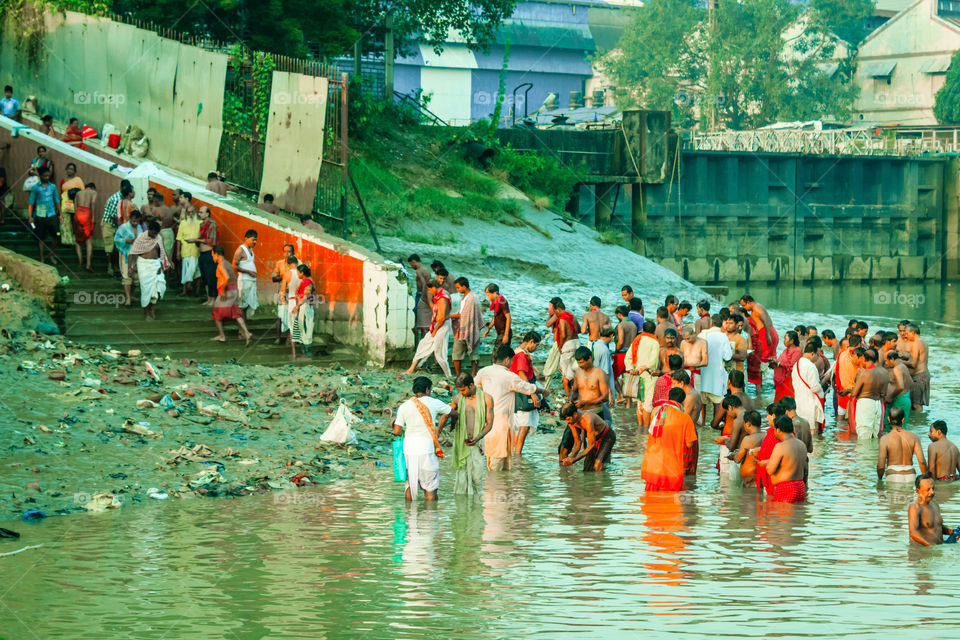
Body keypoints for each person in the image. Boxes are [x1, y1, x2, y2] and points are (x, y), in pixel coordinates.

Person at [474, 344, 542, 471]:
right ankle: (499, 489)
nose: (511, 363)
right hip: (503, 424)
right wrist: (542, 391)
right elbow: (526, 387)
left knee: (497, 464)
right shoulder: (509, 376)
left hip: (492, 423)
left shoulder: (484, 372)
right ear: (507, 360)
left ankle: (500, 489)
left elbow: (475, 385)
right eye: (511, 360)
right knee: (501, 464)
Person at [393, 376, 450, 501]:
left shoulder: (404, 406)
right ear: (428, 389)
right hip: (427, 450)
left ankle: (410, 516)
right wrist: (439, 429)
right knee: (430, 488)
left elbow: (397, 431)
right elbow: (452, 413)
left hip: (409, 451)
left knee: (409, 486)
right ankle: (430, 515)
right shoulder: (433, 402)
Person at [439, 373, 494, 496]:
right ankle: (462, 509)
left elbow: (490, 424)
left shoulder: (487, 399)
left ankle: (475, 509)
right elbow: (447, 415)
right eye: (459, 390)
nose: (462, 393)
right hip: (462, 443)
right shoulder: (458, 399)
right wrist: (437, 432)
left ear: (471, 385)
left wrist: (478, 438)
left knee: (476, 478)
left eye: (463, 390)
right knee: (462, 479)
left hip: (477, 443)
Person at [640, 387, 698, 491]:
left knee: (651, 501)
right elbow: (689, 444)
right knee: (672, 502)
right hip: (671, 470)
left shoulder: (656, 411)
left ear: (669, 398)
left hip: (652, 466)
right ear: (683, 401)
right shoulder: (685, 418)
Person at [406, 279, 453, 377]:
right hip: (438, 325)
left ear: (434, 287)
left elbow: (442, 318)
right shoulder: (444, 293)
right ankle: (411, 369)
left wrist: (434, 331)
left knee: (440, 354)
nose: (430, 292)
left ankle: (449, 375)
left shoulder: (442, 298)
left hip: (441, 326)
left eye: (430, 290)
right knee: (423, 344)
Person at [128, 220, 170, 319]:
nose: (154, 235)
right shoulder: (141, 238)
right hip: (144, 265)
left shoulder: (158, 238)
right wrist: (130, 267)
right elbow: (132, 253)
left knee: (160, 287)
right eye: (153, 233)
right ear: (149, 229)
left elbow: (162, 252)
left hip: (156, 264)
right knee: (146, 290)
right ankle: (147, 313)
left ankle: (152, 308)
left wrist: (161, 265)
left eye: (156, 233)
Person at [210, 245, 253, 343]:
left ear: (216, 254)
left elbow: (226, 277)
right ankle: (246, 333)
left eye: (213, 255)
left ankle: (222, 336)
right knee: (236, 313)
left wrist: (223, 291)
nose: (213, 257)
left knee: (216, 313)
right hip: (234, 290)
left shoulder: (221, 265)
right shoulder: (228, 263)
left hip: (227, 291)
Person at [760, 416, 808, 503]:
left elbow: (770, 470)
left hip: (786, 488)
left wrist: (766, 464)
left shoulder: (780, 446)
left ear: (778, 430)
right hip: (800, 487)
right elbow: (790, 463)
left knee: (782, 515)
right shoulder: (802, 445)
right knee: (797, 515)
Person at [558, 402, 616, 472]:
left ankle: (603, 479)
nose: (567, 422)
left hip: (607, 437)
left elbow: (592, 445)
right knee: (587, 469)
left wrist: (575, 459)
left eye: (568, 419)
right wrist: (571, 457)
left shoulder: (587, 419)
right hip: (595, 438)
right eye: (566, 420)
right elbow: (577, 443)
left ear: (575, 414)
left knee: (597, 465)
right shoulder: (571, 421)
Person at [624, 320, 660, 429]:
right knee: (647, 404)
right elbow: (653, 362)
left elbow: (628, 357)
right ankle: (645, 429)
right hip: (648, 376)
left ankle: (640, 427)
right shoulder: (655, 342)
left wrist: (631, 369)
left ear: (643, 329)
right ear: (654, 331)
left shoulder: (637, 340)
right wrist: (643, 368)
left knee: (639, 402)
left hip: (636, 376)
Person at [510, 331, 542, 454]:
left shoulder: (516, 351)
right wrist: (532, 393)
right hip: (523, 391)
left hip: (517, 390)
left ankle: (516, 453)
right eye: (536, 345)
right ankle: (518, 454)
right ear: (531, 342)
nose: (536, 348)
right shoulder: (522, 355)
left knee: (519, 424)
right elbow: (521, 373)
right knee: (525, 424)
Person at [846, 349, 888, 439]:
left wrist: (848, 390)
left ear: (864, 359)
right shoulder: (884, 373)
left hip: (866, 405)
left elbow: (854, 393)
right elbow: (884, 393)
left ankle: (864, 453)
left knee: (863, 436)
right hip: (878, 404)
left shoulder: (864, 373)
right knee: (875, 435)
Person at [908, 474, 960, 545]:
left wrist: (951, 532)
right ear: (918, 491)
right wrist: (931, 547)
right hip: (920, 552)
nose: (932, 492)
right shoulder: (914, 507)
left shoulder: (935, 504)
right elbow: (913, 534)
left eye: (933, 488)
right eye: (928, 489)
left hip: (936, 550)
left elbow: (937, 526)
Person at [878, 407, 926, 483]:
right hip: (911, 475)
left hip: (893, 475)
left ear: (888, 419)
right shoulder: (914, 437)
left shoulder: (885, 439)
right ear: (903, 420)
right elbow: (922, 461)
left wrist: (879, 481)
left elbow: (881, 466)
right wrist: (925, 478)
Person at [700, 315, 733, 423]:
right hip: (716, 376)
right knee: (717, 403)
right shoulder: (723, 337)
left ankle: (702, 424)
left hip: (702, 375)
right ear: (722, 324)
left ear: (711, 324)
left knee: (702, 403)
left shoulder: (703, 334)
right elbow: (728, 357)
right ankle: (715, 425)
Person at [545, 297, 580, 395]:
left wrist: (560, 346)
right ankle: (573, 391)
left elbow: (548, 324)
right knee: (572, 369)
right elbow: (579, 329)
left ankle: (568, 395)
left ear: (556, 308)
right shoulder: (571, 315)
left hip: (564, 344)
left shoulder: (560, 315)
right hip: (576, 343)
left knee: (554, 368)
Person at [570, 346, 612, 426]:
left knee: (595, 437)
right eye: (578, 363)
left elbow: (605, 397)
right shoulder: (578, 372)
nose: (580, 365)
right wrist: (570, 399)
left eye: (582, 363)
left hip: (595, 412)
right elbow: (574, 391)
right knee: (569, 437)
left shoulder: (600, 374)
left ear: (589, 358)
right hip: (580, 412)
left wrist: (586, 402)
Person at [450, 277, 483, 376]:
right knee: (456, 354)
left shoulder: (472, 298)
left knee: (474, 355)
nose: (457, 290)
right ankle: (458, 374)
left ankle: (473, 375)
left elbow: (464, 315)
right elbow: (461, 312)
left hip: (471, 329)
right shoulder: (464, 296)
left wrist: (449, 315)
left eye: (458, 287)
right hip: (461, 329)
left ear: (464, 286)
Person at [28, 168, 60, 264]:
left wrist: (60, 214)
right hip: (40, 215)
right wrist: (30, 216)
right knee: (41, 238)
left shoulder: (53, 187)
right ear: (40, 176)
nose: (47, 177)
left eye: (48, 175)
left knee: (57, 236)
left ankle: (50, 255)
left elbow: (57, 200)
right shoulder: (35, 187)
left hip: (52, 215)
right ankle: (42, 258)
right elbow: (31, 202)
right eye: (45, 176)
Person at [791, 341, 825, 434]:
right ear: (812, 353)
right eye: (817, 355)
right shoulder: (811, 366)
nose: (818, 358)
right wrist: (822, 385)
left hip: (799, 402)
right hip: (810, 403)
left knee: (801, 432)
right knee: (812, 431)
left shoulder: (796, 364)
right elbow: (814, 387)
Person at [101, 181, 132, 276]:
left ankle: (115, 267)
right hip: (108, 224)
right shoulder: (116, 199)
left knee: (116, 247)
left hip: (116, 225)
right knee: (109, 247)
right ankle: (109, 267)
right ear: (122, 187)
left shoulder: (124, 199)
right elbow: (113, 217)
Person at [740, 294, 778, 366]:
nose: (744, 308)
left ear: (748, 302)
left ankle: (764, 376)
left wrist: (768, 334)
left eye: (744, 305)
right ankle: (768, 376)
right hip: (767, 332)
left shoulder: (757, 308)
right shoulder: (756, 308)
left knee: (763, 360)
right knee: (769, 360)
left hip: (766, 333)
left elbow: (765, 320)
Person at [192, 206, 219, 305]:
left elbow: (211, 241)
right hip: (202, 254)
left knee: (211, 277)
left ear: (207, 214)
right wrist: (195, 241)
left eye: (201, 212)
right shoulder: (201, 225)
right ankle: (209, 299)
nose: (199, 214)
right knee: (205, 278)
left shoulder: (212, 225)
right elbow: (200, 240)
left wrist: (196, 240)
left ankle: (214, 299)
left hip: (209, 254)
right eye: (199, 212)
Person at [269, 245, 297, 341]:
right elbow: (273, 278)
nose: (287, 254)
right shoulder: (279, 263)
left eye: (289, 252)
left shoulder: (297, 264)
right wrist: (284, 276)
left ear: (293, 253)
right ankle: (278, 338)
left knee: (291, 315)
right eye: (285, 252)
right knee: (280, 316)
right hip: (282, 293)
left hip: (293, 294)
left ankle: (289, 339)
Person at [730, 411, 764, 488]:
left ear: (748, 424)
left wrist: (732, 456)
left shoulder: (748, 439)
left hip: (751, 481)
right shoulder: (766, 436)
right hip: (761, 480)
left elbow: (738, 459)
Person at [290, 264, 317, 360]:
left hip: (305, 307)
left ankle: (307, 353)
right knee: (302, 328)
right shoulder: (304, 281)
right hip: (303, 307)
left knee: (306, 328)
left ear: (302, 273)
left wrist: (297, 306)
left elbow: (306, 297)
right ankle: (305, 352)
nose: (297, 274)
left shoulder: (307, 282)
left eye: (298, 272)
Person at [177, 203, 202, 296]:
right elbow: (179, 239)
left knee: (197, 272)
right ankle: (185, 291)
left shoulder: (200, 223)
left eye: (192, 212)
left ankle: (197, 291)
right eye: (189, 212)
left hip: (197, 251)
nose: (191, 214)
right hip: (185, 250)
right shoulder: (183, 223)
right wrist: (178, 252)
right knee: (184, 270)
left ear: (196, 212)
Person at [232, 230, 259, 319]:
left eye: (256, 240)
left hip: (252, 282)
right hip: (244, 281)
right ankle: (242, 331)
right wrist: (248, 272)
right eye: (253, 240)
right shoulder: (240, 250)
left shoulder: (251, 250)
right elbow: (234, 266)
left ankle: (244, 329)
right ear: (246, 238)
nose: (255, 242)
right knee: (242, 306)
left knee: (248, 305)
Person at [613, 305, 638, 399]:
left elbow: (620, 342)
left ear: (619, 315)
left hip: (622, 354)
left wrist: (616, 350)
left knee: (612, 375)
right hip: (631, 354)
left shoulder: (621, 325)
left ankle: (620, 394)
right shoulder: (633, 325)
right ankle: (628, 402)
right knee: (628, 379)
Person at [903, 324, 929, 412]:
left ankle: (917, 424)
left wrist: (898, 361)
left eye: (906, 333)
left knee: (916, 404)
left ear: (912, 332)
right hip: (923, 375)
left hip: (919, 377)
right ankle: (918, 423)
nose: (905, 335)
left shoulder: (916, 343)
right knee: (916, 403)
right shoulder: (923, 341)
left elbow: (913, 363)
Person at [884, 351, 913, 429]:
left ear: (892, 359)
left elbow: (900, 386)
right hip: (905, 398)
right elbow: (911, 382)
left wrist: (891, 396)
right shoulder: (903, 366)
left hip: (899, 400)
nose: (886, 363)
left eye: (887, 361)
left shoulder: (897, 369)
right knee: (902, 426)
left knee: (893, 426)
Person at [72, 182, 97, 271]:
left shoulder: (78, 193)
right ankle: (88, 264)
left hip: (77, 213)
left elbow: (75, 206)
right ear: (93, 188)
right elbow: (93, 203)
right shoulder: (93, 192)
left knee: (77, 238)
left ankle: (80, 261)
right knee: (88, 239)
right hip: (87, 213)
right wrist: (93, 217)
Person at [58, 162, 83, 250]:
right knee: (65, 223)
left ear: (75, 171)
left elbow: (81, 193)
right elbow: (60, 194)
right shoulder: (63, 181)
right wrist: (60, 207)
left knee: (75, 224)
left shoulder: (77, 180)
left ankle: (74, 242)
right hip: (65, 204)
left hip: (75, 205)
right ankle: (66, 242)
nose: (70, 171)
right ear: (66, 170)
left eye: (72, 169)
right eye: (68, 169)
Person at [482, 283, 512, 356]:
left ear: (495, 293)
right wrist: (488, 329)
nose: (487, 297)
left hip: (504, 333)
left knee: (497, 355)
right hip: (500, 333)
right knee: (499, 354)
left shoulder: (502, 301)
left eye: (488, 295)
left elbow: (509, 318)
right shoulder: (496, 302)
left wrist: (506, 335)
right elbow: (495, 317)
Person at [771, 331, 801, 402]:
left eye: (785, 339)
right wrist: (773, 362)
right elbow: (781, 362)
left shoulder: (797, 351)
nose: (784, 341)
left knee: (786, 401)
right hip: (781, 381)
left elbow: (792, 367)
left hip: (788, 380)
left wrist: (778, 363)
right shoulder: (786, 350)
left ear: (792, 341)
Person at [408, 254, 432, 343]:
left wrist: (422, 297)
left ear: (414, 261)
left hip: (420, 295)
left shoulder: (418, 271)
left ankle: (416, 344)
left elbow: (423, 284)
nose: (411, 266)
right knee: (425, 322)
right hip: (428, 295)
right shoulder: (427, 271)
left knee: (415, 320)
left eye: (411, 264)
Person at [592, 327, 617, 410]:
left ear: (599, 334)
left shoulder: (594, 344)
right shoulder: (604, 350)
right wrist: (609, 394)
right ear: (612, 335)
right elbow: (605, 373)